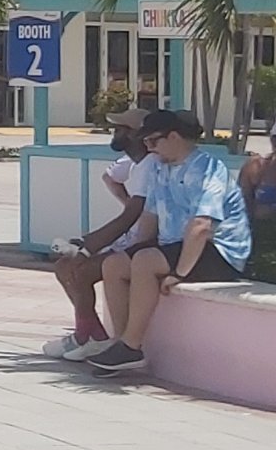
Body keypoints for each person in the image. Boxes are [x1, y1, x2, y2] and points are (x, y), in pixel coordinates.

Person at [88, 110, 252, 375]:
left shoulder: (207, 170)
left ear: (173, 137)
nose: (149, 148)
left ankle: (132, 345)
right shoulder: (160, 167)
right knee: (115, 264)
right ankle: (120, 344)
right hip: (176, 246)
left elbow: (201, 226)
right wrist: (134, 251)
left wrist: (179, 273)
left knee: (145, 262)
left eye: (153, 141)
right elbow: (150, 216)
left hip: (219, 251)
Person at [42, 108, 152, 361]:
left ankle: (86, 337)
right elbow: (110, 179)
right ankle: (94, 336)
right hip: (128, 238)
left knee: (80, 271)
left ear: (136, 135)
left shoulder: (149, 166)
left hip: (141, 242)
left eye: (121, 129)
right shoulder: (132, 163)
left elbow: (130, 216)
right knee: (64, 266)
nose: (115, 133)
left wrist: (87, 246)